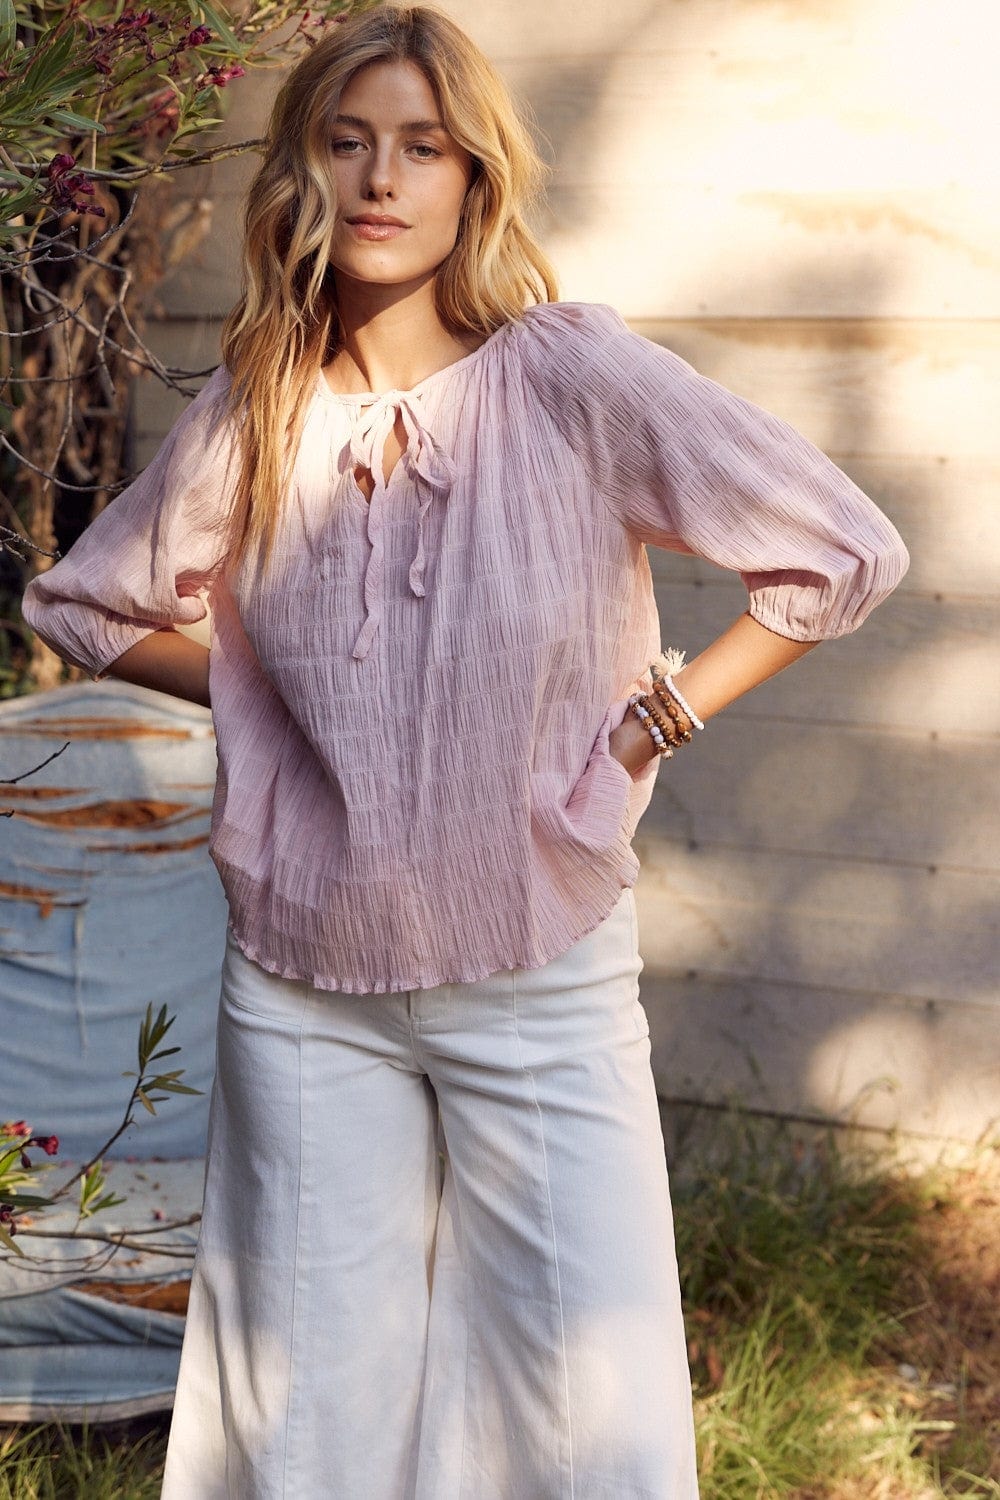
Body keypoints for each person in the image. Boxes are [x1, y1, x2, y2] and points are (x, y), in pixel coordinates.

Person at [22, 6, 909, 1496]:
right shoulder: (258, 403)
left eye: (422, 147)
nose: (381, 178)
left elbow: (841, 552)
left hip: (535, 968)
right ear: (302, 172)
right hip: (303, 977)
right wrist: (264, 688)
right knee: (299, 1413)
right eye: (346, 141)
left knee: (587, 1417)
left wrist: (659, 715)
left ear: (473, 179)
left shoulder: (570, 376)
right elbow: (88, 602)